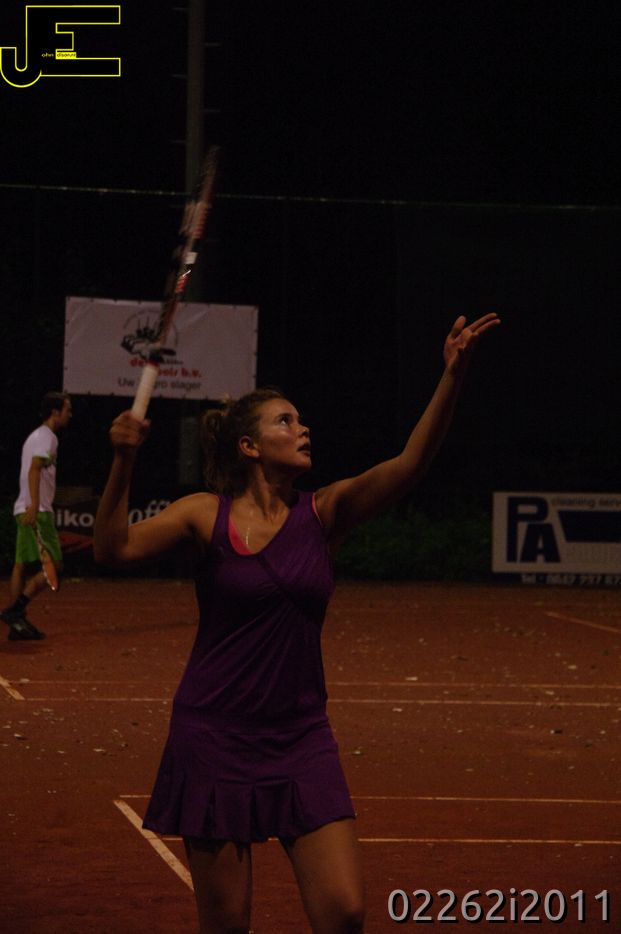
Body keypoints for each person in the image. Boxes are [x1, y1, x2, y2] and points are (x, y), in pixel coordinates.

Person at [94, 313, 499, 933]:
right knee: (227, 924)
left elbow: (410, 463)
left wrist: (452, 376)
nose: (303, 427)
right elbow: (112, 550)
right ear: (249, 446)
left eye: (301, 419)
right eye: (285, 420)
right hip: (214, 736)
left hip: (300, 737)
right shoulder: (204, 514)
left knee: (344, 911)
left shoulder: (325, 514)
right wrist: (123, 461)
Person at [1, 392, 73, 641]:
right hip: (37, 510)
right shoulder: (47, 437)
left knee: (21, 565)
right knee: (56, 567)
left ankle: (16, 624)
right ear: (55, 412)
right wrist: (34, 505)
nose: (70, 415)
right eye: (67, 410)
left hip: (24, 507)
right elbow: (34, 469)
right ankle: (16, 610)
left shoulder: (35, 436)